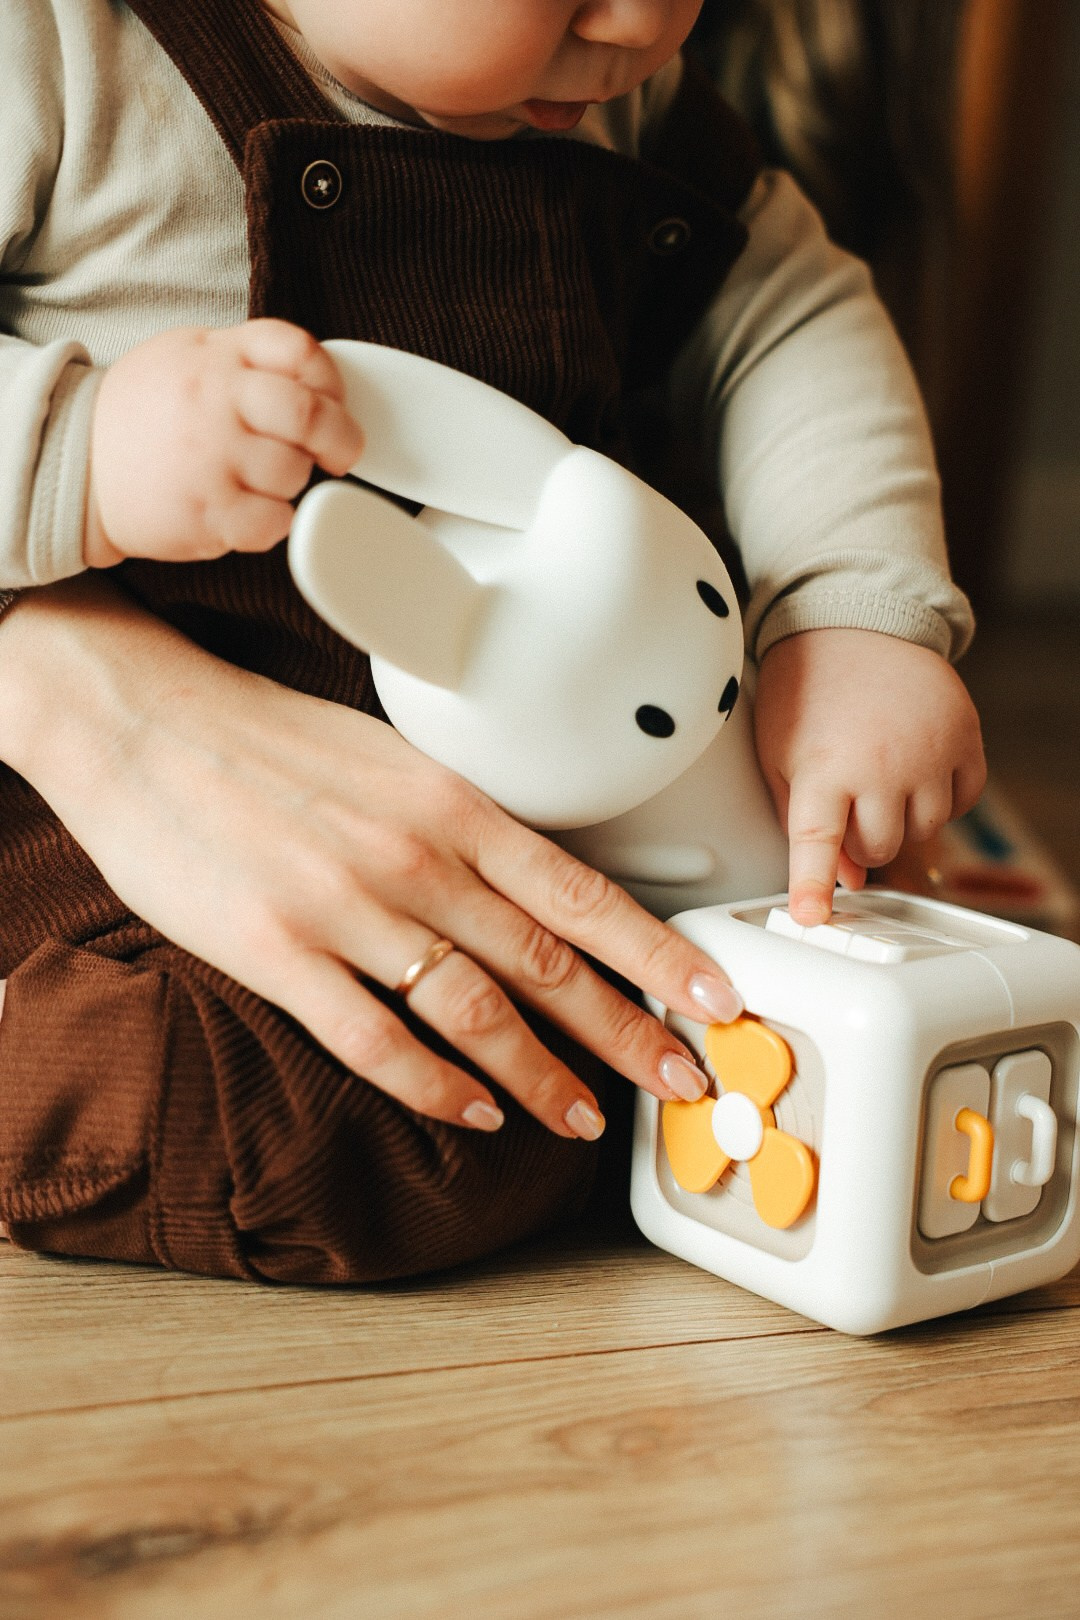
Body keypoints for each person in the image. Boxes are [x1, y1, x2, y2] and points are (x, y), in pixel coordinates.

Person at [0, 0, 984, 1282]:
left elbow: (789, 315)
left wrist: (855, 606)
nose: (639, 21)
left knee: (716, 1032)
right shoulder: (55, 51)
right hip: (84, 853)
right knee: (326, 1132)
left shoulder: (632, 117)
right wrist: (78, 447)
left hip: (531, 801)